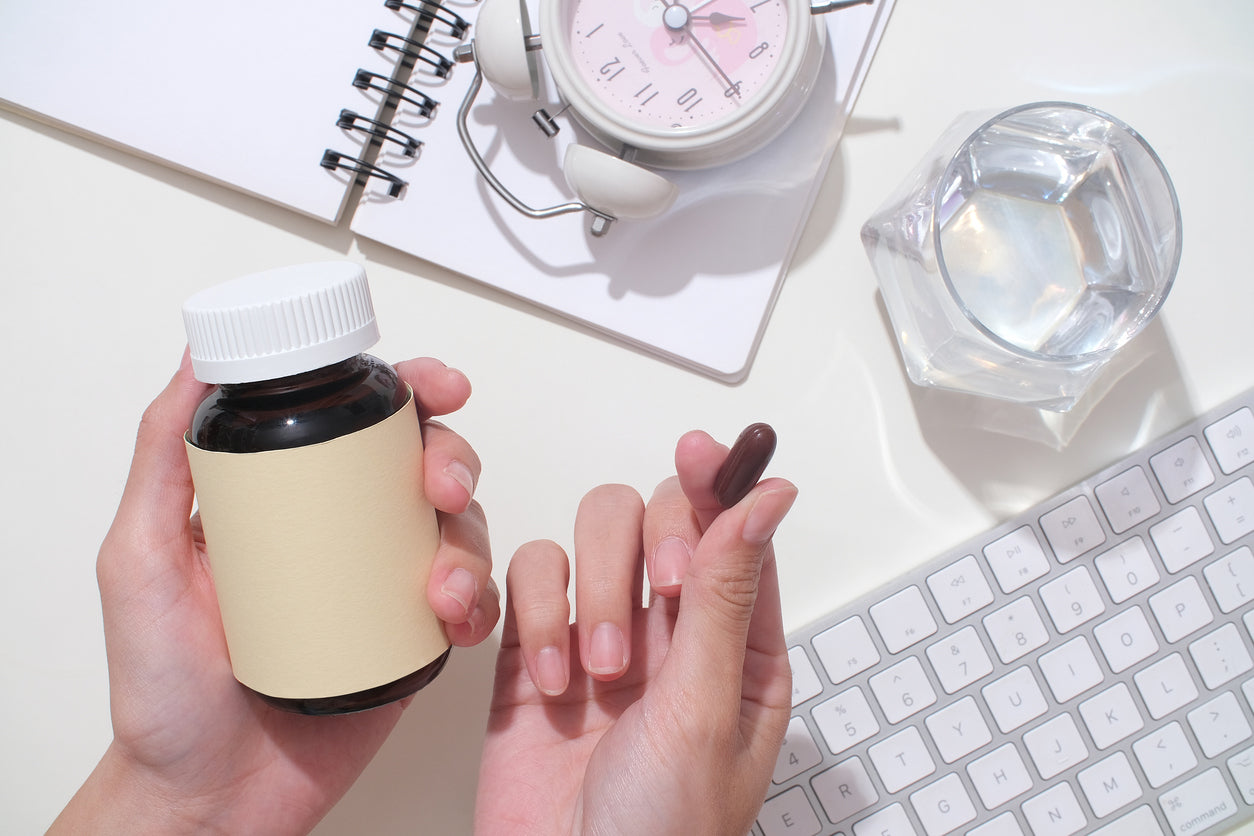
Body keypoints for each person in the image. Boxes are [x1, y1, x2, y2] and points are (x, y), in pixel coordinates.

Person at [49, 353, 798, 835]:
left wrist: (179, 801)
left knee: (438, 490)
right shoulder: (228, 426)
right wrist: (176, 797)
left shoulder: (370, 394)